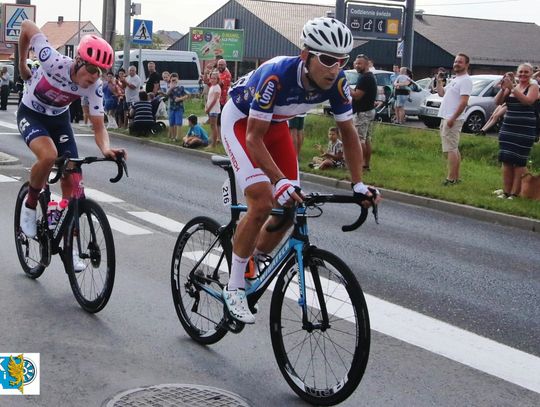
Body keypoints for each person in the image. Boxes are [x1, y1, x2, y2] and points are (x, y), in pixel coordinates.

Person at [220, 17, 379, 324]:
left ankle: (256, 260)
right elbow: (253, 137)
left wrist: (358, 184)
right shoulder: (276, 75)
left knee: (291, 204)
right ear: (306, 56)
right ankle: (235, 286)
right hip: (241, 123)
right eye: (328, 60)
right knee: (263, 201)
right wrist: (277, 180)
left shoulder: (339, 82)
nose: (335, 68)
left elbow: (348, 133)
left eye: (342, 61)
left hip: (276, 125)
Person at [17, 20, 125, 271]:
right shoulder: (52, 60)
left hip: (59, 121)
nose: (94, 77)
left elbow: (99, 126)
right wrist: (21, 63)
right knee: (48, 156)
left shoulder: (94, 87)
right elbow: (26, 26)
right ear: (78, 61)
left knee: (74, 184)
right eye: (90, 69)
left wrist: (106, 150)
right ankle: (30, 205)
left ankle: (71, 247)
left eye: (100, 72)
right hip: (31, 114)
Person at [493, 64, 539, 199]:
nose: (523, 75)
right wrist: (503, 89)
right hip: (508, 128)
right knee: (506, 159)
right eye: (521, 72)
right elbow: (497, 101)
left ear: (531, 74)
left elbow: (528, 101)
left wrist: (512, 87)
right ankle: (506, 191)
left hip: (524, 129)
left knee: (519, 162)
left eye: (526, 72)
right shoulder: (512, 87)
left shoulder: (533, 87)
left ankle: (515, 193)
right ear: (517, 73)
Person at [436, 53, 473, 186]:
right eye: (455, 61)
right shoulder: (455, 79)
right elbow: (441, 93)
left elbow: (463, 102)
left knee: (450, 149)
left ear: (466, 65)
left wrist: (453, 118)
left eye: (460, 62)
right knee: (453, 148)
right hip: (446, 116)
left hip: (452, 118)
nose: (456, 64)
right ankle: (456, 177)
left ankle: (451, 178)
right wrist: (439, 81)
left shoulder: (466, 80)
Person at [350, 54, 377, 170]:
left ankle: (360, 165)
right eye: (356, 63)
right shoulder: (368, 76)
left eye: (359, 63)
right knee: (366, 139)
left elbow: (357, 96)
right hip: (369, 111)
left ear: (367, 64)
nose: (357, 65)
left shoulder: (365, 78)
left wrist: (345, 86)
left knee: (360, 139)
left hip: (363, 113)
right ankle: (366, 164)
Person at [166, 72, 188, 141]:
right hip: (172, 107)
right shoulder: (169, 87)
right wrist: (171, 88)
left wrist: (180, 99)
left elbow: (186, 95)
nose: (174, 82)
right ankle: (172, 136)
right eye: (172, 80)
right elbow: (167, 95)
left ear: (178, 80)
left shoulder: (181, 87)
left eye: (175, 80)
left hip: (179, 107)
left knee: (178, 122)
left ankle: (178, 137)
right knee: (171, 122)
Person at [205, 71, 221, 147]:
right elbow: (209, 99)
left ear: (217, 79)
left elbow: (215, 100)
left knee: (213, 126)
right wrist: (206, 107)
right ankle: (212, 142)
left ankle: (213, 144)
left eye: (214, 78)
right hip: (210, 109)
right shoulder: (212, 87)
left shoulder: (217, 87)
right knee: (212, 126)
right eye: (211, 78)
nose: (212, 80)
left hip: (214, 109)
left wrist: (209, 108)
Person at [216, 58, 232, 133]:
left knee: (221, 119)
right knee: (217, 119)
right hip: (217, 99)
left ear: (225, 65)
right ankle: (217, 135)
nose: (220, 66)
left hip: (223, 100)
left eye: (222, 65)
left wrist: (214, 80)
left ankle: (222, 135)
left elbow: (220, 85)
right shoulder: (218, 73)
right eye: (219, 64)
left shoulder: (227, 74)